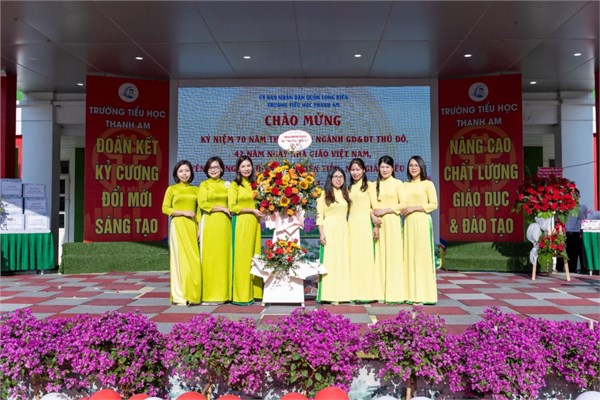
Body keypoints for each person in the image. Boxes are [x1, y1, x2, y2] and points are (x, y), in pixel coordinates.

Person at [161, 160, 201, 306]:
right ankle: (180, 295)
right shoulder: (172, 189)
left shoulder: (196, 190)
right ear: (176, 174)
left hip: (192, 227)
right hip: (178, 226)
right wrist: (183, 212)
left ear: (191, 172)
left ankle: (194, 294)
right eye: (181, 171)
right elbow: (165, 208)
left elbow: (198, 211)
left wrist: (199, 228)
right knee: (179, 260)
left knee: (193, 261)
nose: (184, 174)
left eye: (187, 170)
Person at [401, 155, 438, 304]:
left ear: (422, 167)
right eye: (411, 165)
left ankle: (424, 295)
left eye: (416, 165)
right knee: (408, 256)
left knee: (422, 257)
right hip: (408, 223)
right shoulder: (404, 185)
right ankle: (409, 294)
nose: (413, 168)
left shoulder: (427, 184)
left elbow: (434, 204)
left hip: (422, 221)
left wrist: (414, 208)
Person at [228, 156, 264, 305]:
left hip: (255, 224)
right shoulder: (234, 185)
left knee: (255, 256)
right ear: (238, 169)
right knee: (242, 258)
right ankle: (241, 295)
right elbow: (232, 207)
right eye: (243, 166)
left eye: (248, 166)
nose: (246, 169)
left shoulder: (256, 185)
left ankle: (255, 292)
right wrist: (251, 210)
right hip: (241, 223)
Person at [198, 156, 232, 303]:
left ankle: (225, 294)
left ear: (222, 169)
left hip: (225, 224)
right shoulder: (204, 185)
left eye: (216, 167)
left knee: (224, 257)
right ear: (206, 170)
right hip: (210, 222)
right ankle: (209, 294)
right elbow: (203, 203)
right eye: (210, 168)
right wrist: (222, 208)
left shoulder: (227, 185)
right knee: (209, 258)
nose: (213, 170)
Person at [372, 156, 406, 303]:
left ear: (393, 168)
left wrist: (385, 210)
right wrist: (375, 222)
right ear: (378, 168)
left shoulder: (398, 183)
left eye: (387, 167)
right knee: (380, 256)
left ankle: (394, 293)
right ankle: (379, 293)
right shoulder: (374, 185)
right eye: (382, 167)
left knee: (393, 256)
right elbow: (372, 206)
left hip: (393, 221)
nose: (384, 170)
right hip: (379, 223)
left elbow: (403, 204)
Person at [347, 158, 382, 302]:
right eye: (353, 170)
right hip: (351, 225)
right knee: (353, 258)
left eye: (358, 169)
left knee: (366, 258)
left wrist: (376, 226)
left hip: (365, 225)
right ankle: (353, 292)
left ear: (364, 170)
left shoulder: (369, 186)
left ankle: (368, 292)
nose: (355, 172)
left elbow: (375, 207)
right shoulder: (348, 188)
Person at [316, 167, 352, 303]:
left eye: (341, 177)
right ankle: (329, 295)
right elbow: (319, 215)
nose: (338, 179)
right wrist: (321, 233)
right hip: (329, 230)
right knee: (330, 262)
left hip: (343, 230)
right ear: (330, 179)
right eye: (336, 177)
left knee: (343, 261)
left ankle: (343, 295)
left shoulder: (346, 193)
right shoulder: (324, 194)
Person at [558, 189, 589, 273]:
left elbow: (583, 220)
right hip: (564, 232)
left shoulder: (581, 208)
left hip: (575, 233)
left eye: (576, 195)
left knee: (574, 253)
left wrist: (581, 231)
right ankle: (560, 268)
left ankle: (572, 269)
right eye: (572, 195)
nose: (574, 197)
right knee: (562, 250)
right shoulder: (563, 207)